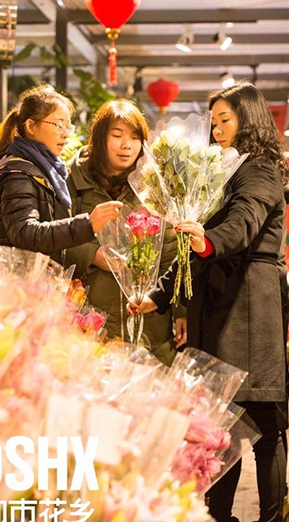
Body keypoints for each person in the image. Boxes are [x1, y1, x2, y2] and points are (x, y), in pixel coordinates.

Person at [130, 81, 289, 522]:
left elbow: (243, 222)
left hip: (248, 306)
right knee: (219, 420)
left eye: (226, 120)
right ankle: (219, 516)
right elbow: (194, 246)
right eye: (214, 121)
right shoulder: (220, 169)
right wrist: (159, 294)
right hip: (220, 303)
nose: (217, 130)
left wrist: (208, 240)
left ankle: (271, 519)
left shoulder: (259, 170)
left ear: (249, 119)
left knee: (262, 421)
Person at [65, 99, 187, 363]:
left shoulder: (154, 185)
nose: (126, 145)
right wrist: (92, 255)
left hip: (149, 321)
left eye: (134, 137)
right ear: (100, 138)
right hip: (90, 319)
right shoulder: (73, 181)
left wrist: (180, 310)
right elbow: (55, 240)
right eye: (117, 135)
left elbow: (171, 252)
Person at [0, 85, 122, 265]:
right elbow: (25, 233)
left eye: (68, 127)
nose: (65, 134)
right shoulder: (18, 175)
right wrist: (88, 224)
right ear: (31, 126)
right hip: (15, 279)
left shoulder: (44, 171)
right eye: (59, 125)